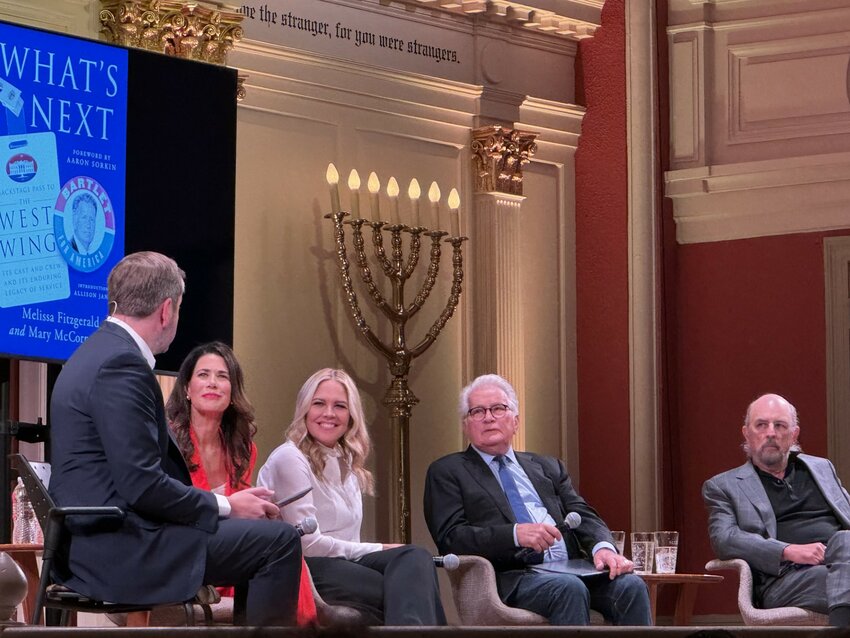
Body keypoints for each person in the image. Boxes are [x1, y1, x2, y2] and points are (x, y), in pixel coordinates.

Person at [48, 251, 302, 626]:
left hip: (96, 540)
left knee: (260, 535)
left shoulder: (91, 353)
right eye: (179, 309)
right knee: (279, 542)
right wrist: (228, 506)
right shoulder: (122, 365)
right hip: (121, 549)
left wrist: (223, 505)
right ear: (167, 310)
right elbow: (141, 485)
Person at [424, 373, 652, 626]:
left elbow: (582, 513)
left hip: (570, 568)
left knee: (631, 586)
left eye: (498, 408)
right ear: (466, 425)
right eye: (477, 411)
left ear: (516, 420)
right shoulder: (448, 471)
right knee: (568, 588)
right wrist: (514, 534)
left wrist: (604, 549)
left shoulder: (546, 466)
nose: (488, 417)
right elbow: (451, 538)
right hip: (511, 577)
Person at [257, 368, 447, 626]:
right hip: (308, 569)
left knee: (416, 558)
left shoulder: (348, 463)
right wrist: (379, 549)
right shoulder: (289, 458)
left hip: (345, 565)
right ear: (304, 409)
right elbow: (306, 545)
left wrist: (373, 553)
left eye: (340, 406)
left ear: (351, 415)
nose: (329, 413)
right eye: (319, 403)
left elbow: (349, 540)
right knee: (408, 587)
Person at [166, 341, 317, 625]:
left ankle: (299, 628)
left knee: (280, 536)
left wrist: (259, 508)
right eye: (203, 375)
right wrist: (235, 510)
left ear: (233, 391)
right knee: (278, 544)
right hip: (188, 547)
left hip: (236, 551)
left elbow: (242, 508)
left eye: (222, 376)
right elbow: (173, 507)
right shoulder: (169, 442)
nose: (213, 383)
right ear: (186, 388)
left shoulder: (242, 447)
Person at [702, 393, 850, 626]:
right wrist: (788, 550)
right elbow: (724, 539)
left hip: (840, 561)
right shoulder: (724, 486)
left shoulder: (821, 468)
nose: (770, 432)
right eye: (761, 425)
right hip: (785, 578)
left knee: (844, 541)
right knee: (840, 575)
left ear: (793, 435)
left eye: (780, 425)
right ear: (747, 434)